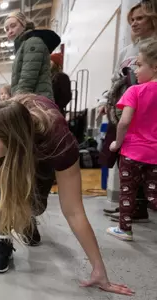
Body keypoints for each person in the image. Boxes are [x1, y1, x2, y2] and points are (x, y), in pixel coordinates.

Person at [0, 94, 133, 296]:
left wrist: (99, 269)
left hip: (37, 146)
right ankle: (4, 239)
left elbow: (74, 210)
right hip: (18, 135)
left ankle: (27, 220)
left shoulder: (57, 141)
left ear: (13, 142)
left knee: (35, 205)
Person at [99, 2, 157, 222]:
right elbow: (115, 79)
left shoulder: (154, 49)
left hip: (147, 113)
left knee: (146, 164)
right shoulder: (127, 51)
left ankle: (137, 208)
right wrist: (106, 101)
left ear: (152, 19)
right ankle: (129, 206)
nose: (134, 22)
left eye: (140, 18)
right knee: (124, 159)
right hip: (125, 107)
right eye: (132, 19)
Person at [106, 38, 157, 241]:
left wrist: (117, 143)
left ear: (154, 66)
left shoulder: (134, 91)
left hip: (131, 152)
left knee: (128, 192)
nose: (135, 71)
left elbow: (124, 122)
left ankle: (125, 230)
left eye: (139, 65)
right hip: (154, 154)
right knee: (153, 194)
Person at [4, 12, 60, 99]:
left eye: (13, 26)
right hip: (31, 100)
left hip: (35, 102)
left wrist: (16, 101)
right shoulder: (22, 46)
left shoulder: (32, 42)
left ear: (24, 24)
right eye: (7, 29)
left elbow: (28, 78)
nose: (10, 31)